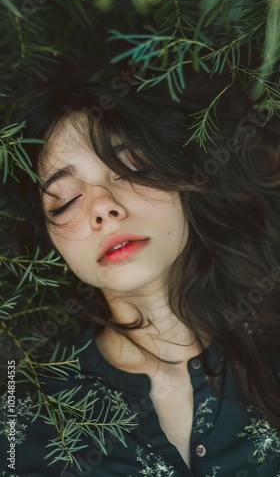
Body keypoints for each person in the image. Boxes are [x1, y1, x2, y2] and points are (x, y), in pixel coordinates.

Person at [0, 83, 280, 477]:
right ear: (47, 243)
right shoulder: (23, 420)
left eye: (128, 167)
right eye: (64, 200)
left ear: (180, 178)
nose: (104, 208)